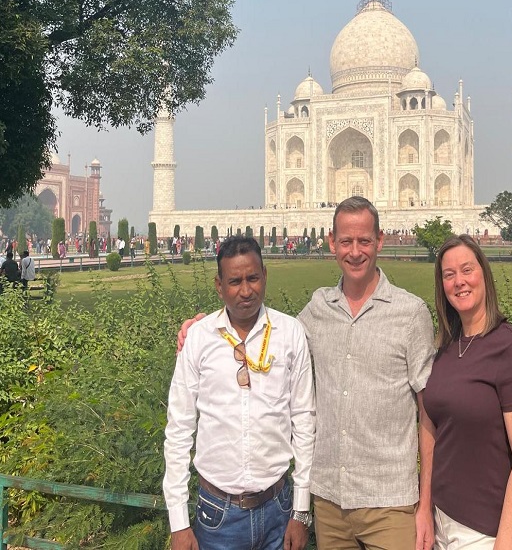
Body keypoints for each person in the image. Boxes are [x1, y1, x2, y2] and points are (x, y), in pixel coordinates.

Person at [178, 198, 436, 550]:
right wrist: (203, 328)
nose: (355, 251)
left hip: (389, 501)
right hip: (330, 503)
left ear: (379, 240)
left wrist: (426, 503)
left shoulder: (410, 313)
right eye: (346, 241)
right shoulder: (318, 309)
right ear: (332, 243)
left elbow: (429, 412)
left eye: (364, 241)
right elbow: (264, 328)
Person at [164, 236, 315, 550]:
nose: (246, 291)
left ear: (265, 276)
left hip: (279, 509)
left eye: (253, 278)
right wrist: (179, 524)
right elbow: (179, 430)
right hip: (218, 515)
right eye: (235, 282)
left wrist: (301, 511)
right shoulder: (199, 338)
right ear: (219, 286)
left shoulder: (289, 333)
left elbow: (304, 422)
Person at [421, 235, 512, 549]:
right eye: (449, 275)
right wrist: (426, 507)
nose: (459, 282)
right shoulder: (448, 348)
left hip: (486, 533)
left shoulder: (510, 350)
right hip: (443, 523)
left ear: (484, 274)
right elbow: (434, 426)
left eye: (467, 270)